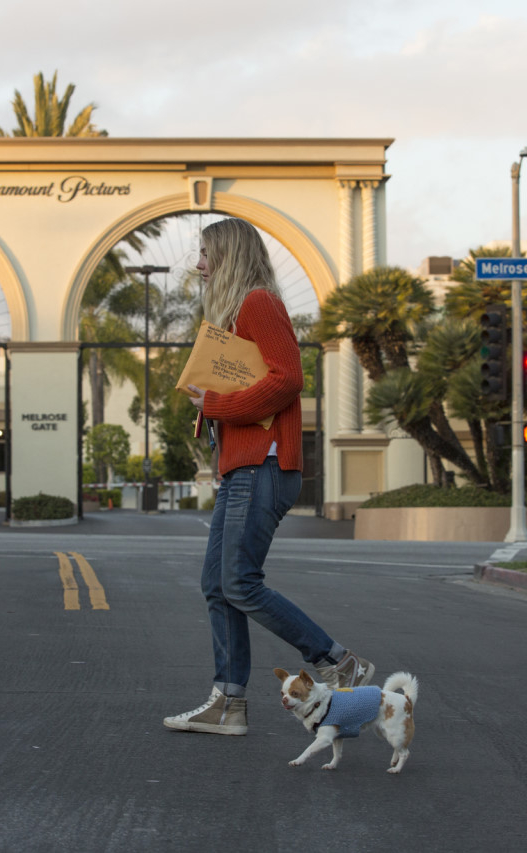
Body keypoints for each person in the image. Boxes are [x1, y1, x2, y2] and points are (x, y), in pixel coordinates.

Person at [163, 217, 374, 736]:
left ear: (230, 255)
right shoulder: (237, 317)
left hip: (265, 464)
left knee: (238, 581)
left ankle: (335, 659)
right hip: (245, 466)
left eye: (207, 254)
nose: (199, 265)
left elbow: (289, 378)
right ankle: (228, 705)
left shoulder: (259, 303)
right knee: (217, 584)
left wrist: (215, 404)